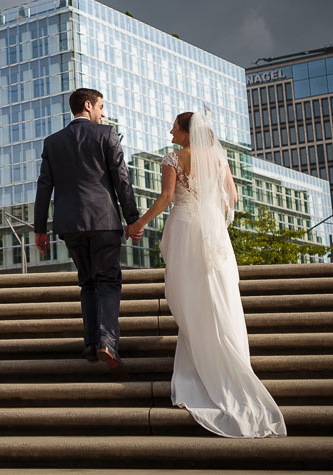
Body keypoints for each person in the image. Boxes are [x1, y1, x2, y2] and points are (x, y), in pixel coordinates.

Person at [127, 111, 287, 438]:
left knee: (189, 296)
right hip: (213, 234)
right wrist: (213, 215)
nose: (170, 129)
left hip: (185, 228)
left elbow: (168, 198)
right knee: (216, 294)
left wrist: (138, 223)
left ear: (186, 132)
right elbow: (233, 198)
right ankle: (224, 357)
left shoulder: (172, 158)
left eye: (174, 125)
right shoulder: (217, 159)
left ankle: (199, 367)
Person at [34, 88, 142, 374]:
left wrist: (39, 229)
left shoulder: (52, 142)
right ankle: (107, 342)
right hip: (104, 220)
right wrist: (133, 219)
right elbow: (122, 178)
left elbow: (44, 186)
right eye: (101, 106)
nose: (103, 113)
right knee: (108, 280)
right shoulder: (106, 134)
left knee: (88, 283)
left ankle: (91, 343)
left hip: (70, 224)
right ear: (88, 105)